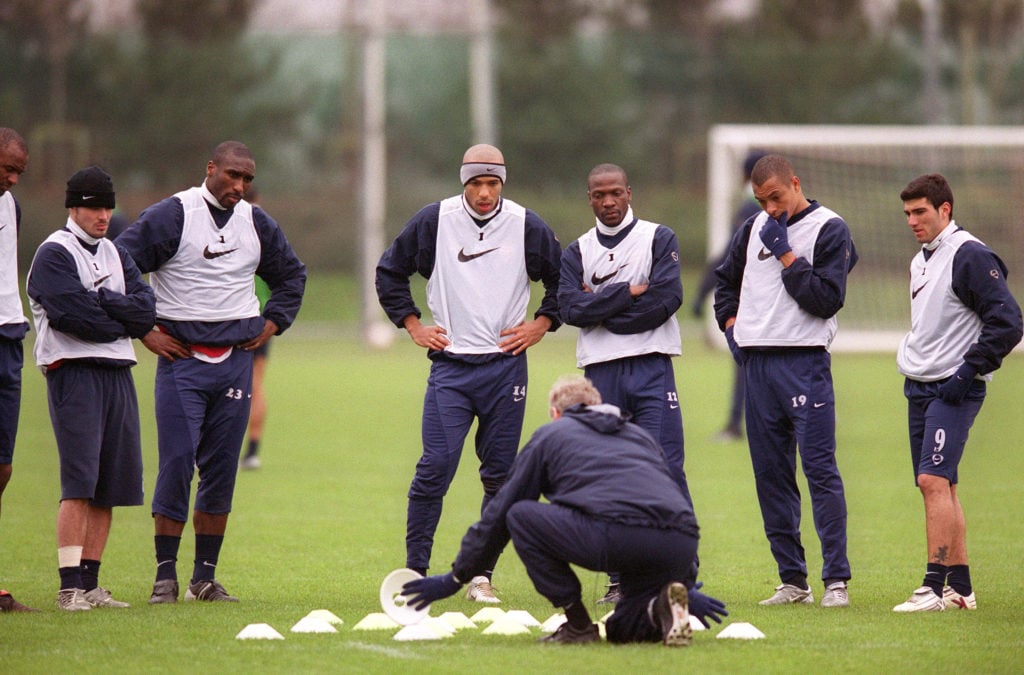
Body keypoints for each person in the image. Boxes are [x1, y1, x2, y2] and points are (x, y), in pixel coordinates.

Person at [401, 376, 727, 646]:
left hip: (617, 535)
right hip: (678, 543)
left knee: (521, 517)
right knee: (623, 631)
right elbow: (675, 499)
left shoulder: (551, 434)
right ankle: (663, 606)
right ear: (598, 407)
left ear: (556, 414)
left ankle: (578, 624)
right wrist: (685, 576)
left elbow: (502, 510)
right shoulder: (640, 436)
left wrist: (456, 577)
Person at [116, 141, 306, 603]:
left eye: (247, 179)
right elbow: (119, 261)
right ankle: (165, 575)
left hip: (235, 363)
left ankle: (204, 576)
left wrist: (273, 321)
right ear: (211, 169)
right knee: (178, 463)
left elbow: (292, 274)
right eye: (232, 176)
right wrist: (145, 329)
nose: (239, 186)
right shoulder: (173, 215)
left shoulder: (256, 222)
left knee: (220, 471)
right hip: (183, 361)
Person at [375, 143, 562, 603]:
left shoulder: (525, 224)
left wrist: (542, 323)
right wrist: (413, 324)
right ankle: (414, 572)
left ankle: (481, 576)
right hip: (451, 370)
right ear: (464, 183)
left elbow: (563, 279)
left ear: (502, 183)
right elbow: (389, 272)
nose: (484, 192)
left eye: (492, 183)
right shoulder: (433, 221)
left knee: (499, 477)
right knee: (434, 469)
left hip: (505, 369)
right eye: (476, 183)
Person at [713, 153, 857, 608]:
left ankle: (836, 580)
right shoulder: (752, 227)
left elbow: (824, 300)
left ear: (795, 183)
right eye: (761, 200)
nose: (770, 208)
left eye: (776, 197)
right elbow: (724, 283)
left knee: (819, 472)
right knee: (771, 476)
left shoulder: (830, 229)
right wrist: (733, 330)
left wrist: (787, 254)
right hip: (758, 368)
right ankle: (793, 580)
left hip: (804, 364)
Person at [557, 163, 690, 604]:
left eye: (615, 192)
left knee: (665, 468)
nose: (608, 202)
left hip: (652, 368)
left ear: (629, 192)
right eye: (599, 195)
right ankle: (619, 580)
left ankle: (679, 575)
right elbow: (570, 310)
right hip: (601, 374)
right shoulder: (577, 250)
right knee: (608, 473)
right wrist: (628, 293)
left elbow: (667, 300)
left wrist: (602, 310)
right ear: (589, 198)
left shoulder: (658, 237)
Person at [27, 166, 156, 611]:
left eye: (107, 206)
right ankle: (68, 587)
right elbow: (72, 317)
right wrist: (118, 318)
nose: (103, 215)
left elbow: (145, 314)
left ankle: (91, 583)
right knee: (80, 480)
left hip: (118, 372)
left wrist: (108, 303)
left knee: (112, 484)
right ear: (73, 207)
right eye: (93, 206)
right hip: (74, 371)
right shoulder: (54, 254)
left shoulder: (117, 254)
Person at [892, 174, 1022, 612]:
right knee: (941, 484)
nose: (912, 220)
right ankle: (961, 589)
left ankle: (932, 587)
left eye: (921, 211)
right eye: (908, 213)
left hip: (953, 389)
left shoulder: (969, 254)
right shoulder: (921, 260)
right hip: (920, 386)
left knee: (932, 480)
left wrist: (967, 373)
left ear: (945, 209)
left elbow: (1008, 322)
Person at [692, 151, 766, 442]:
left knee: (745, 358)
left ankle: (735, 425)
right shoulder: (796, 204)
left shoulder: (751, 207)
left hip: (756, 299)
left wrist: (702, 292)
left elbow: (729, 256)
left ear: (745, 174)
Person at [0, 127, 35, 612]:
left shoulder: (11, 206)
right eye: (6, 168)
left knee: (2, 468)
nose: (11, 179)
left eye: (18, 172)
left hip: (8, 336)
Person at [241, 188, 269, 471]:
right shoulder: (264, 230)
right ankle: (251, 451)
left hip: (237, 319)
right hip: (260, 320)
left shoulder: (229, 227)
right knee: (254, 387)